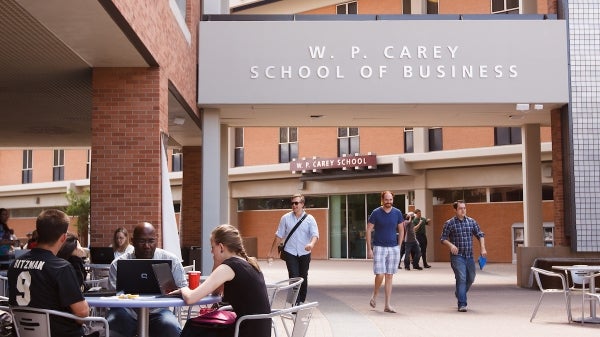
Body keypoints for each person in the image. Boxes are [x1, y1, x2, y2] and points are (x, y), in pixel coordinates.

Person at [7, 209, 91, 337]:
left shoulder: (14, 264)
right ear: (63, 237)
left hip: (22, 333)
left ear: (38, 233)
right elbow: (82, 314)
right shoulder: (61, 267)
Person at [176, 224, 271, 337]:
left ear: (221, 247)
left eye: (212, 247)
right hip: (258, 331)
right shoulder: (248, 263)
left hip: (244, 331)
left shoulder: (229, 267)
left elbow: (191, 298)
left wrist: (183, 289)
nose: (211, 252)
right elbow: (216, 291)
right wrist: (217, 262)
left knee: (193, 327)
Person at [106, 222, 187, 337]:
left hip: (159, 311)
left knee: (171, 327)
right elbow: (113, 295)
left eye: (151, 241)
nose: (147, 246)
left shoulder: (171, 260)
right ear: (133, 241)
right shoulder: (118, 264)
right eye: (142, 241)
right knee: (114, 323)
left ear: (156, 240)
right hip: (126, 311)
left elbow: (183, 288)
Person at [267, 194, 319, 305]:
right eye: (292, 203)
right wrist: (271, 252)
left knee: (303, 276)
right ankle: (295, 302)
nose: (294, 205)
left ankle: (301, 300)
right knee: (294, 277)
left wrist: (311, 244)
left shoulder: (310, 219)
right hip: (290, 252)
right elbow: (279, 235)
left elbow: (315, 234)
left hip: (305, 253)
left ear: (302, 204)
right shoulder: (285, 218)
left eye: (296, 203)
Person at [440, 200, 487, 312]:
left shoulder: (471, 222)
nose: (463, 210)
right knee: (462, 278)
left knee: (471, 278)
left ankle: (459, 293)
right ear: (455, 210)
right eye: (460, 208)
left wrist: (483, 248)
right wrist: (451, 245)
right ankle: (462, 304)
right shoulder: (449, 223)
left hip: (469, 256)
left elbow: (480, 235)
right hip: (457, 257)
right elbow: (443, 239)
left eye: (464, 208)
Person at [366, 191, 405, 313]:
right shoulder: (376, 212)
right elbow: (368, 230)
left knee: (389, 276)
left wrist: (399, 246)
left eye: (391, 199)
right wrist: (369, 248)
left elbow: (401, 230)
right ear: (382, 200)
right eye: (386, 200)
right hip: (379, 247)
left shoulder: (397, 213)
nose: (389, 202)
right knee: (380, 274)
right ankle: (375, 295)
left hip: (393, 248)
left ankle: (387, 305)